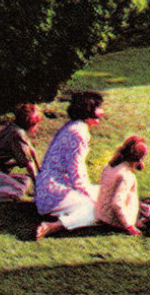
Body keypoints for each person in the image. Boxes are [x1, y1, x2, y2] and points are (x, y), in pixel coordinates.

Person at [34, 91, 107, 239]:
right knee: (99, 209)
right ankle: (53, 226)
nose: (102, 112)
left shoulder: (76, 127)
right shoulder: (78, 132)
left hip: (53, 188)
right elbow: (76, 173)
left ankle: (66, 213)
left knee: (104, 194)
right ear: (89, 109)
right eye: (99, 108)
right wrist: (91, 197)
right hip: (53, 192)